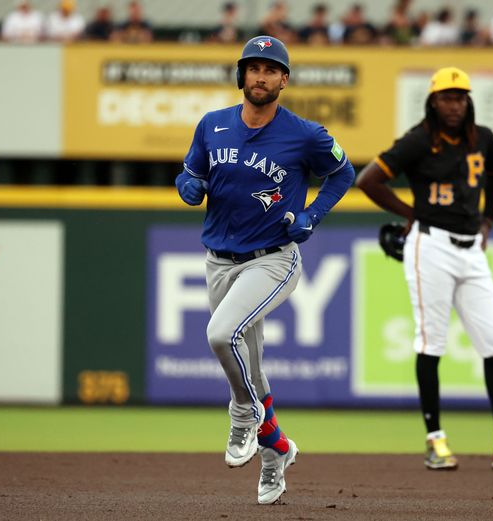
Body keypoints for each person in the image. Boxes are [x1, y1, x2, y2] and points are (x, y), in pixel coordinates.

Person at [175, 35, 355, 503]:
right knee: (252, 369)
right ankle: (276, 451)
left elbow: (343, 172)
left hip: (273, 258)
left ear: (284, 80)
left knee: (220, 335)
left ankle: (241, 415)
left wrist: (312, 215)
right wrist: (188, 184)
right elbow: (191, 172)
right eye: (253, 68)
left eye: (270, 69)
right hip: (218, 259)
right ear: (242, 76)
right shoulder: (212, 126)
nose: (261, 76)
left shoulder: (304, 134)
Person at [355, 67, 493, 472]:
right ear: (432, 102)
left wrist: (488, 221)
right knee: (432, 343)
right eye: (446, 97)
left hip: (471, 249)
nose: (454, 104)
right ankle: (435, 440)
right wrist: (410, 214)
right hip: (430, 246)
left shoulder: (483, 138)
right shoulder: (418, 140)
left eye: (460, 96)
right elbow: (369, 179)